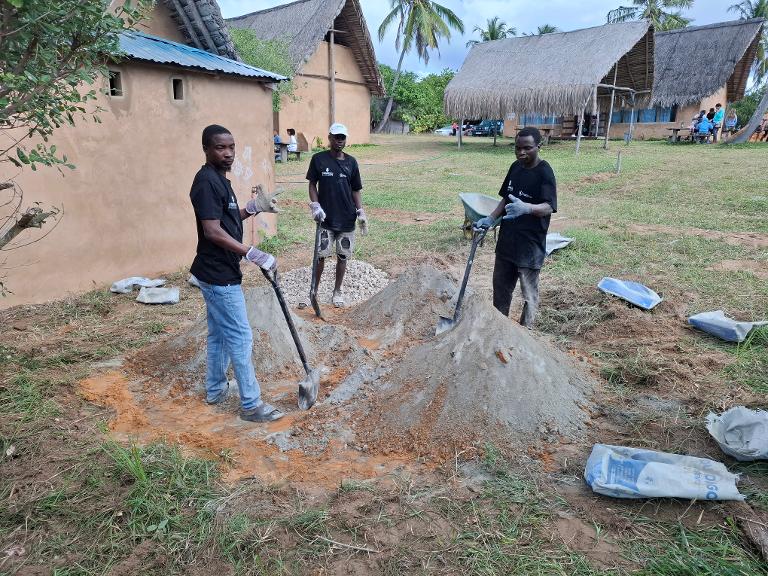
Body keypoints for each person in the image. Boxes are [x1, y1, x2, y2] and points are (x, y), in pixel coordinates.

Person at [189, 124, 284, 423]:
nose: (228, 153)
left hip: (217, 270)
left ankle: (215, 390)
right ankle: (251, 405)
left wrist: (253, 207)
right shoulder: (206, 182)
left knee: (219, 335)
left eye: (231, 147)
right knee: (240, 337)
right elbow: (212, 231)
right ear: (206, 149)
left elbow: (227, 219)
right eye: (220, 147)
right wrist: (252, 253)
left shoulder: (220, 180)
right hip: (218, 274)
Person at [474, 127, 556, 328]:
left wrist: (527, 208)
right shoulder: (515, 167)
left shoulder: (544, 172)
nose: (521, 152)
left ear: (538, 146)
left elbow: (549, 206)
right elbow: (506, 198)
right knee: (501, 290)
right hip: (507, 242)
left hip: (530, 245)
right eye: (518, 148)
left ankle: (526, 332)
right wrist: (490, 218)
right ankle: (499, 327)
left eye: (527, 148)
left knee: (529, 294)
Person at [304, 123, 367, 308]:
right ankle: (313, 291)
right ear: (330, 138)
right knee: (320, 256)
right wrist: (316, 206)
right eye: (336, 137)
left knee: (342, 256)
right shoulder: (318, 159)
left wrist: (360, 211)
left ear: (345, 139)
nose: (340, 140)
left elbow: (355, 189)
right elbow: (312, 184)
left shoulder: (351, 162)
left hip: (347, 219)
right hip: (325, 219)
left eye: (343, 137)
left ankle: (337, 291)